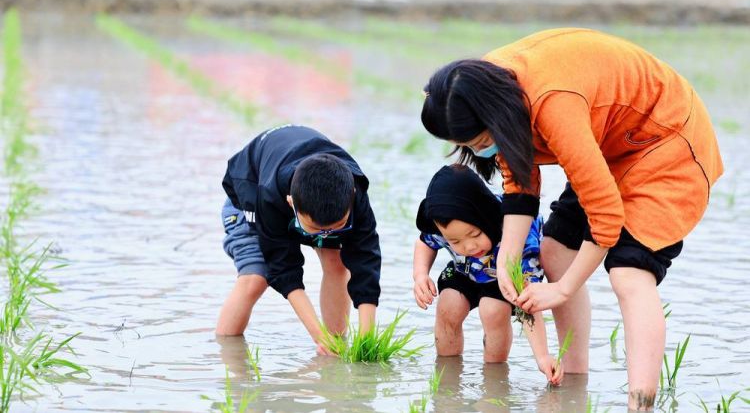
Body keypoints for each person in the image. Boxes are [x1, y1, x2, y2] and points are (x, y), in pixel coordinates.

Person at [419, 28, 723, 410]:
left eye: (477, 144)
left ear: (494, 117)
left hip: (666, 141)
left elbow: (605, 216)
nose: (474, 152)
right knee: (555, 250)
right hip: (611, 143)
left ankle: (640, 404)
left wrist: (560, 291)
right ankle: (573, 386)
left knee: (629, 273)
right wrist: (507, 255)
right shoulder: (481, 85)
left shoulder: (551, 102)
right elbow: (520, 178)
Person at [216, 124, 381, 355]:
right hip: (250, 196)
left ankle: (337, 346)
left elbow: (366, 261)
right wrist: (318, 336)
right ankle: (228, 357)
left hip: (310, 195)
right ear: (291, 203)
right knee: (255, 277)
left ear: (352, 197)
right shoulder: (269, 197)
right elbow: (284, 270)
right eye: (315, 229)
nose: (325, 236)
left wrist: (367, 338)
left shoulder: (354, 193)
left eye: (338, 226)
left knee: (337, 261)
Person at [413, 164, 562, 385]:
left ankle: (494, 377)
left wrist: (542, 356)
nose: (469, 246)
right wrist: (420, 274)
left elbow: (527, 297)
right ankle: (447, 376)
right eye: (455, 242)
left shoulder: (514, 228)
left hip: (506, 274)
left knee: (492, 310)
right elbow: (425, 242)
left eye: (474, 234)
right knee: (448, 306)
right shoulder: (446, 223)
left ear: (484, 216)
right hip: (466, 270)